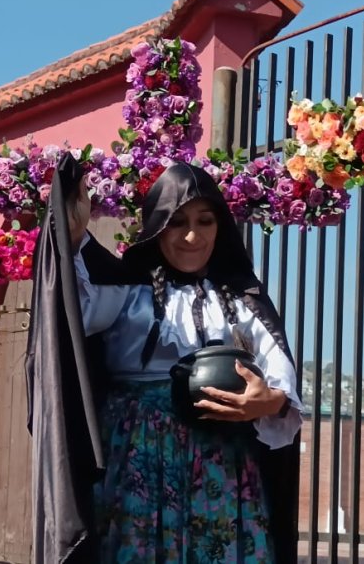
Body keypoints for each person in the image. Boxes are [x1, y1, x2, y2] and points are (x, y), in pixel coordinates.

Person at [62, 161, 304, 563]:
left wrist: (267, 403)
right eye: (177, 223)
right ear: (157, 228)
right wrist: (71, 237)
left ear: (219, 228)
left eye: (204, 221)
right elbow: (68, 314)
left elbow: (281, 381)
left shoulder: (243, 302)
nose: (192, 236)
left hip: (221, 457)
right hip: (138, 453)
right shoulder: (127, 293)